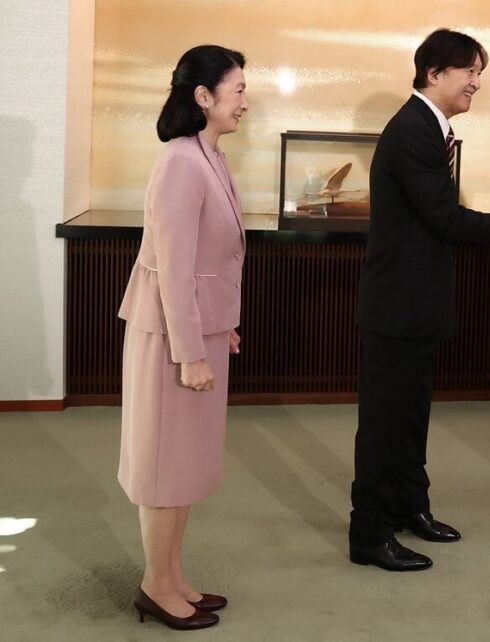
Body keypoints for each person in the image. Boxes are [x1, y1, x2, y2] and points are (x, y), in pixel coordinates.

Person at [350, 28, 490, 572]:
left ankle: (409, 508)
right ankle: (370, 534)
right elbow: (444, 218)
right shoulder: (412, 132)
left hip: (416, 304)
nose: (476, 83)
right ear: (434, 73)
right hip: (398, 306)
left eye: (479, 73)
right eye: (469, 71)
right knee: (385, 423)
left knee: (412, 415)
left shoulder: (430, 129)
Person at [117, 44, 248, 630]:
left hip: (196, 331)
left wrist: (223, 325)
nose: (246, 100)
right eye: (238, 90)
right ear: (204, 97)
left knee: (186, 463)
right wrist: (192, 351)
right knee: (166, 466)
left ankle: (170, 576)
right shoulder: (179, 161)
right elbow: (173, 268)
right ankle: (154, 584)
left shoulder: (209, 156)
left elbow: (209, 261)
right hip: (171, 340)